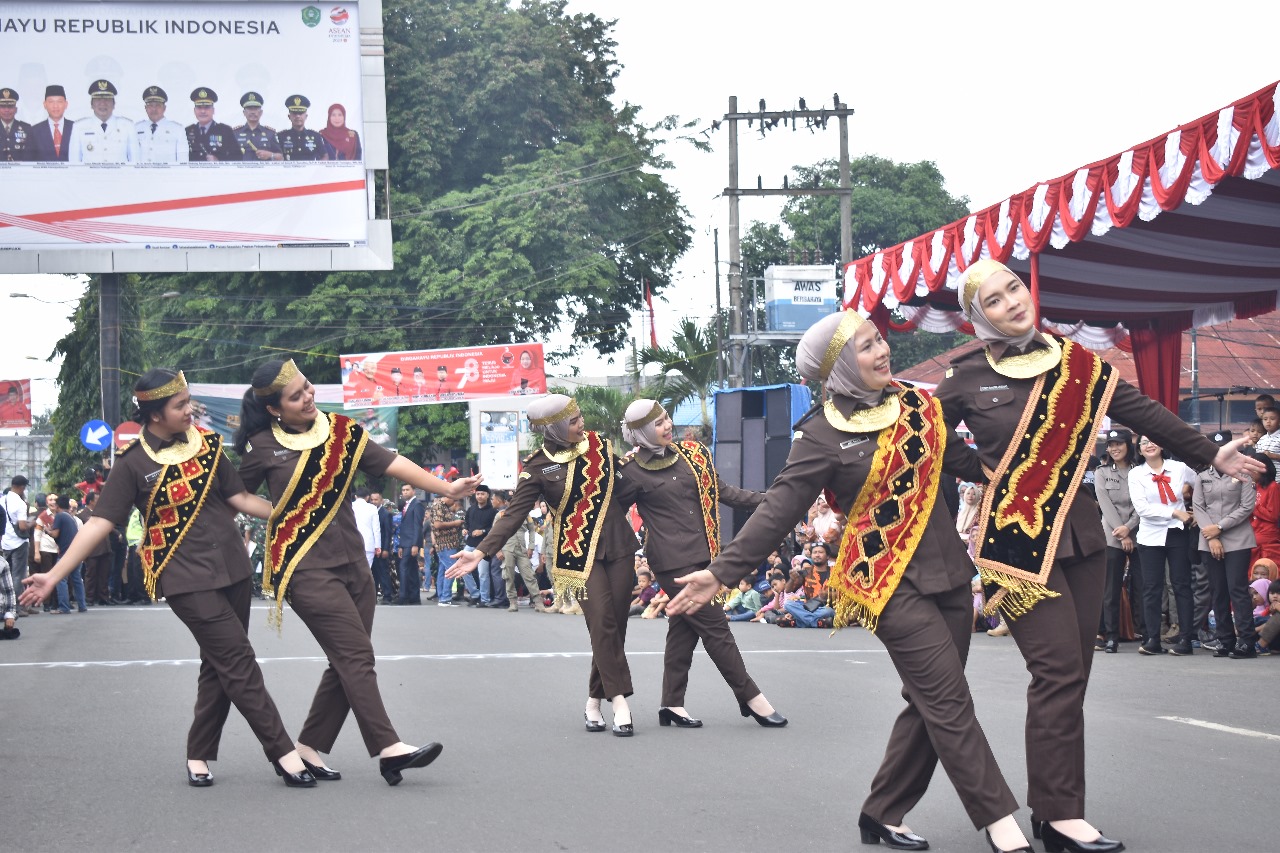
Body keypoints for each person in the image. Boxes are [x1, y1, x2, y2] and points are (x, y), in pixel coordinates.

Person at [666, 310, 1031, 853]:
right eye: (866, 346)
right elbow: (779, 510)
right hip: (885, 584)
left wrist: (1032, 467)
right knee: (949, 701)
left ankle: (881, 812)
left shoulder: (918, 406)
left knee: (931, 702)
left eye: (880, 339)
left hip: (952, 577)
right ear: (838, 366)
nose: (882, 351)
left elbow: (967, 463)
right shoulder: (819, 433)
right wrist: (721, 572)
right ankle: (1003, 827)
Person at [935, 259, 1260, 852]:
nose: (1013, 301)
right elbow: (928, 443)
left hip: (1083, 536)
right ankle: (1061, 816)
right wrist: (984, 471)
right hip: (1016, 541)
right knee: (1056, 672)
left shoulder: (1077, 363)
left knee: (1073, 676)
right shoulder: (965, 376)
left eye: (1014, 287)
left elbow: (1143, 412)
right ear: (979, 317)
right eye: (995, 300)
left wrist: (1211, 454)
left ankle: (1053, 810)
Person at [20, 368, 316, 788]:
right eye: (180, 406)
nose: (189, 410)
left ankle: (198, 754)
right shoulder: (132, 463)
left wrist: (299, 516)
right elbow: (100, 523)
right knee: (237, 660)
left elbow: (240, 497)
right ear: (155, 415)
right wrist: (53, 575)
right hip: (184, 578)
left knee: (219, 664)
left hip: (232, 569)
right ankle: (283, 753)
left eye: (188, 401)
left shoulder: (207, 445)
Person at [235, 358, 481, 784]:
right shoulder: (261, 446)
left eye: (307, 387)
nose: (308, 396)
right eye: (296, 396)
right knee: (356, 656)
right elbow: (236, 495)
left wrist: (446, 487)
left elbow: (391, 463)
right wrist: (278, 513)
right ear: (274, 408)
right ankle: (389, 748)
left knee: (345, 660)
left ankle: (308, 747)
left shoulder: (342, 431)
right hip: (305, 568)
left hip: (355, 564)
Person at [449, 394, 640, 735]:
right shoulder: (537, 467)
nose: (582, 424)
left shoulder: (599, 446)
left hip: (619, 546)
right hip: (578, 555)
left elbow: (625, 489)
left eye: (580, 417)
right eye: (574, 421)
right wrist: (481, 552)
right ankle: (619, 700)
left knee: (615, 626)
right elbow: (513, 516)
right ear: (554, 428)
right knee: (601, 622)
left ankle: (593, 701)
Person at [615, 398, 785, 729]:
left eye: (667, 418)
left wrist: (773, 501)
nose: (668, 426)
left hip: (704, 557)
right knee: (717, 629)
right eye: (658, 424)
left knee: (683, 630)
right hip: (671, 564)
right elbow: (612, 517)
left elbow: (726, 492)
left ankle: (671, 704)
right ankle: (752, 698)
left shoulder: (692, 455)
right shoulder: (630, 471)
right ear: (641, 433)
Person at [1192, 431, 1260, 659]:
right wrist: (1211, 536)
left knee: (1237, 590)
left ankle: (1247, 642)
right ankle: (1225, 640)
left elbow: (1246, 507)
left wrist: (1219, 528)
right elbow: (1198, 507)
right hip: (1209, 540)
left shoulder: (1244, 473)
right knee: (1217, 590)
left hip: (1237, 539)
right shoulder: (1202, 476)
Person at [1095, 428, 1141, 653]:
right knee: (1110, 588)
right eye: (1111, 445)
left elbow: (1143, 504)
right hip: (1112, 535)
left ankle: (1147, 633)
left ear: (1128, 445)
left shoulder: (1139, 471)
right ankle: (1111, 636)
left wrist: (1129, 528)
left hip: (1139, 533)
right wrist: (1122, 532)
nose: (1114, 449)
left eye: (1118, 444)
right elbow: (1105, 504)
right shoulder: (1102, 472)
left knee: (1144, 586)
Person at [68, 79, 137, 162]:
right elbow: (74, 163)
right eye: (98, 99)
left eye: (107, 99)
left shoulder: (128, 126)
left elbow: (135, 161)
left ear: (114, 104)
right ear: (91, 104)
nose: (103, 103)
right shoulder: (79, 127)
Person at [463, 485, 500, 607]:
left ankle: (484, 599)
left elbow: (496, 528)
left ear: (488, 495)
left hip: (484, 546)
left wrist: (483, 531)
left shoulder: (493, 511)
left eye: (482, 494)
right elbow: (466, 523)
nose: (480, 496)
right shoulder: (471, 509)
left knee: (483, 573)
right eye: (478, 494)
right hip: (470, 543)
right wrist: (465, 529)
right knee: (463, 568)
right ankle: (474, 594)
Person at [2, 475, 33, 614]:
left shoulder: (2, 500)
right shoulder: (20, 503)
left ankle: (7, 605)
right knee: (18, 576)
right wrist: (31, 523)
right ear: (22, 487)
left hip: (5, 542)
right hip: (19, 543)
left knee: (6, 575)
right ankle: (17, 607)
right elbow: (22, 526)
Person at [185, 88, 241, 161]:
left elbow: (238, 156)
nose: (203, 111)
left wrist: (218, 160)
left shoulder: (225, 131)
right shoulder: (187, 131)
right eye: (199, 107)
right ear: (194, 111)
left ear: (213, 110)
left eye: (207, 107)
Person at [134, 86, 185, 162]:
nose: (154, 109)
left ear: (164, 108)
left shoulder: (177, 129)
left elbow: (183, 161)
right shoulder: (136, 128)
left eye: (158, 105)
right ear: (145, 108)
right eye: (150, 105)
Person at [396, 483, 426, 605]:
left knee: (403, 567)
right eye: (403, 490)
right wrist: (401, 545)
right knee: (412, 569)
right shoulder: (406, 505)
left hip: (411, 542)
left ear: (413, 491)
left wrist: (415, 544)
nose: (405, 492)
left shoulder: (417, 504)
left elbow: (417, 526)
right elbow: (404, 526)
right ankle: (414, 597)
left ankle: (403, 596)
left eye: (407, 490)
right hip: (405, 542)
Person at [233, 91, 283, 160]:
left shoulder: (270, 133)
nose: (253, 112)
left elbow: (281, 157)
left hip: (264, 167)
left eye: (255, 109)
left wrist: (270, 155)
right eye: (249, 109)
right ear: (244, 113)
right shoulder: (235, 133)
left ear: (261, 112)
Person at [278, 95, 330, 160]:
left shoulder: (315, 136)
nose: (297, 116)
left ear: (306, 116)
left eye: (300, 113)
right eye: (294, 113)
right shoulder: (281, 136)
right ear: (289, 116)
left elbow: (325, 156)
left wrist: (318, 166)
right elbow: (276, 156)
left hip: (310, 167)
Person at [29, 84, 72, 161]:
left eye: (59, 101)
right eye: (51, 102)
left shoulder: (75, 128)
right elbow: (29, 161)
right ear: (45, 104)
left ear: (66, 104)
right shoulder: (34, 131)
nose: (55, 106)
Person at [0, 87, 34, 161]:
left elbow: (31, 156)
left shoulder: (27, 129)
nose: (6, 110)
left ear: (16, 109)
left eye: (10, 106)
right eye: (3, 106)